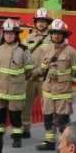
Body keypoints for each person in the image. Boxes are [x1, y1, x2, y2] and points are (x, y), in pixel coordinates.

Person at [35, 19, 76, 151]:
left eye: (59, 33)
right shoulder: (46, 49)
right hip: (48, 90)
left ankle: (63, 143)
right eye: (54, 33)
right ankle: (49, 141)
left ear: (64, 35)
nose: (56, 36)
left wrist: (69, 80)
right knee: (48, 116)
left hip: (63, 91)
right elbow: (43, 67)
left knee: (62, 119)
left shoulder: (71, 51)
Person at [0, 19, 31, 148]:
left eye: (11, 33)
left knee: (15, 115)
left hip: (16, 89)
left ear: (16, 34)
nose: (9, 36)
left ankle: (17, 137)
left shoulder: (23, 50)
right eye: (7, 33)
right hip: (0, 88)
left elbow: (29, 68)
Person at [22, 8, 54, 143]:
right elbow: (23, 54)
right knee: (26, 104)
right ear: (35, 22)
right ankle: (25, 129)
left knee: (47, 106)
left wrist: (41, 70)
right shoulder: (29, 37)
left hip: (44, 78)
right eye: (39, 21)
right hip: (29, 77)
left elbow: (52, 56)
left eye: (44, 21)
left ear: (48, 23)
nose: (41, 24)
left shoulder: (52, 38)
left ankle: (49, 134)